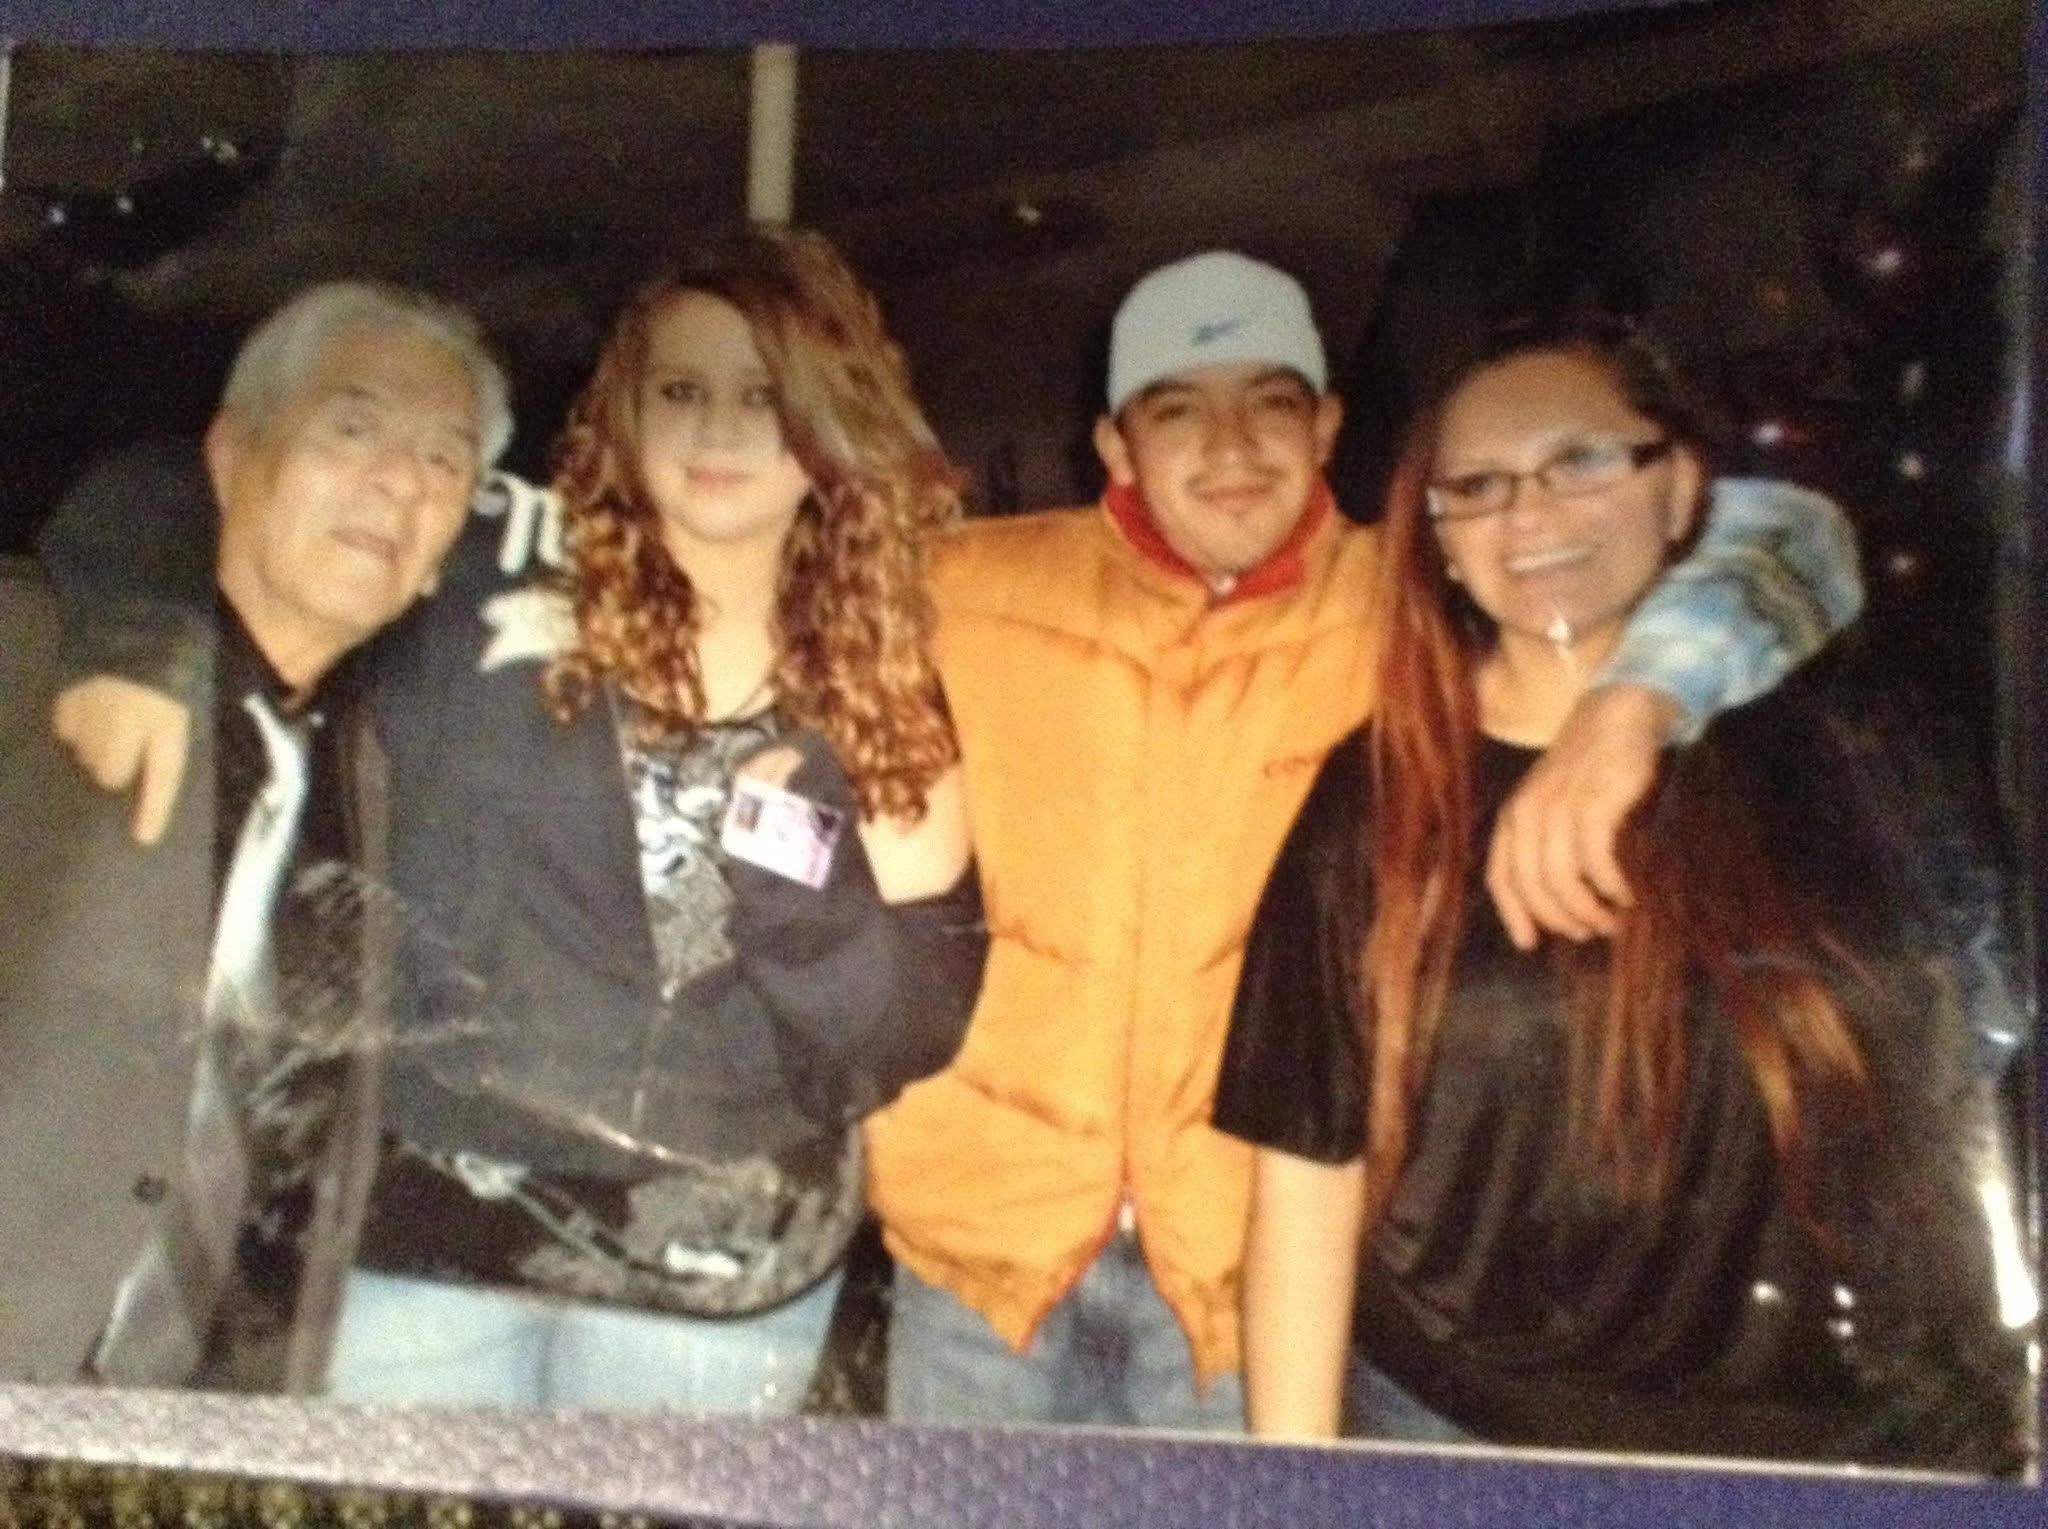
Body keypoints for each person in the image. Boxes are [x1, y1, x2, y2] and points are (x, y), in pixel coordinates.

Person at [866, 251, 1868, 1429]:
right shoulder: (965, 586)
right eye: (1176, 411)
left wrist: (1630, 707)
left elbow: (1794, 533)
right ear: (1114, 446)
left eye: (1270, 403)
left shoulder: (1406, 601)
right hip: (980, 1255)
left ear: (1326, 426)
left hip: (1244, 1262)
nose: (1230, 447)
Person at [34, 226, 986, 1414]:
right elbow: (195, 483)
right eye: (679, 390)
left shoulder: (871, 674)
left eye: (763, 395)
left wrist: (799, 907)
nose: (719, 431)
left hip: (720, 1271)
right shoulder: (486, 556)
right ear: (623, 403)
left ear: (827, 414)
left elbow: (911, 1025)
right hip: (426, 1242)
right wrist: (143, 634)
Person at [1213, 313, 2030, 1467]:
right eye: (1479, 486)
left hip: (1844, 1440)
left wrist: (1628, 711)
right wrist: (1295, 1485)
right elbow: (1305, 1172)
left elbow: (1807, 526)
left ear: (1681, 484)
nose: (1529, 514)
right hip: (1468, 1431)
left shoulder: (1832, 738)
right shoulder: (1379, 792)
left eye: (1579, 461)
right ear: (1438, 536)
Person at [0, 280, 510, 1389]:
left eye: (444, 460)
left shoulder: (369, 761)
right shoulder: (39, 656)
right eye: (353, 428)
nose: (399, 480)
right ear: (231, 457)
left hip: (194, 1401)